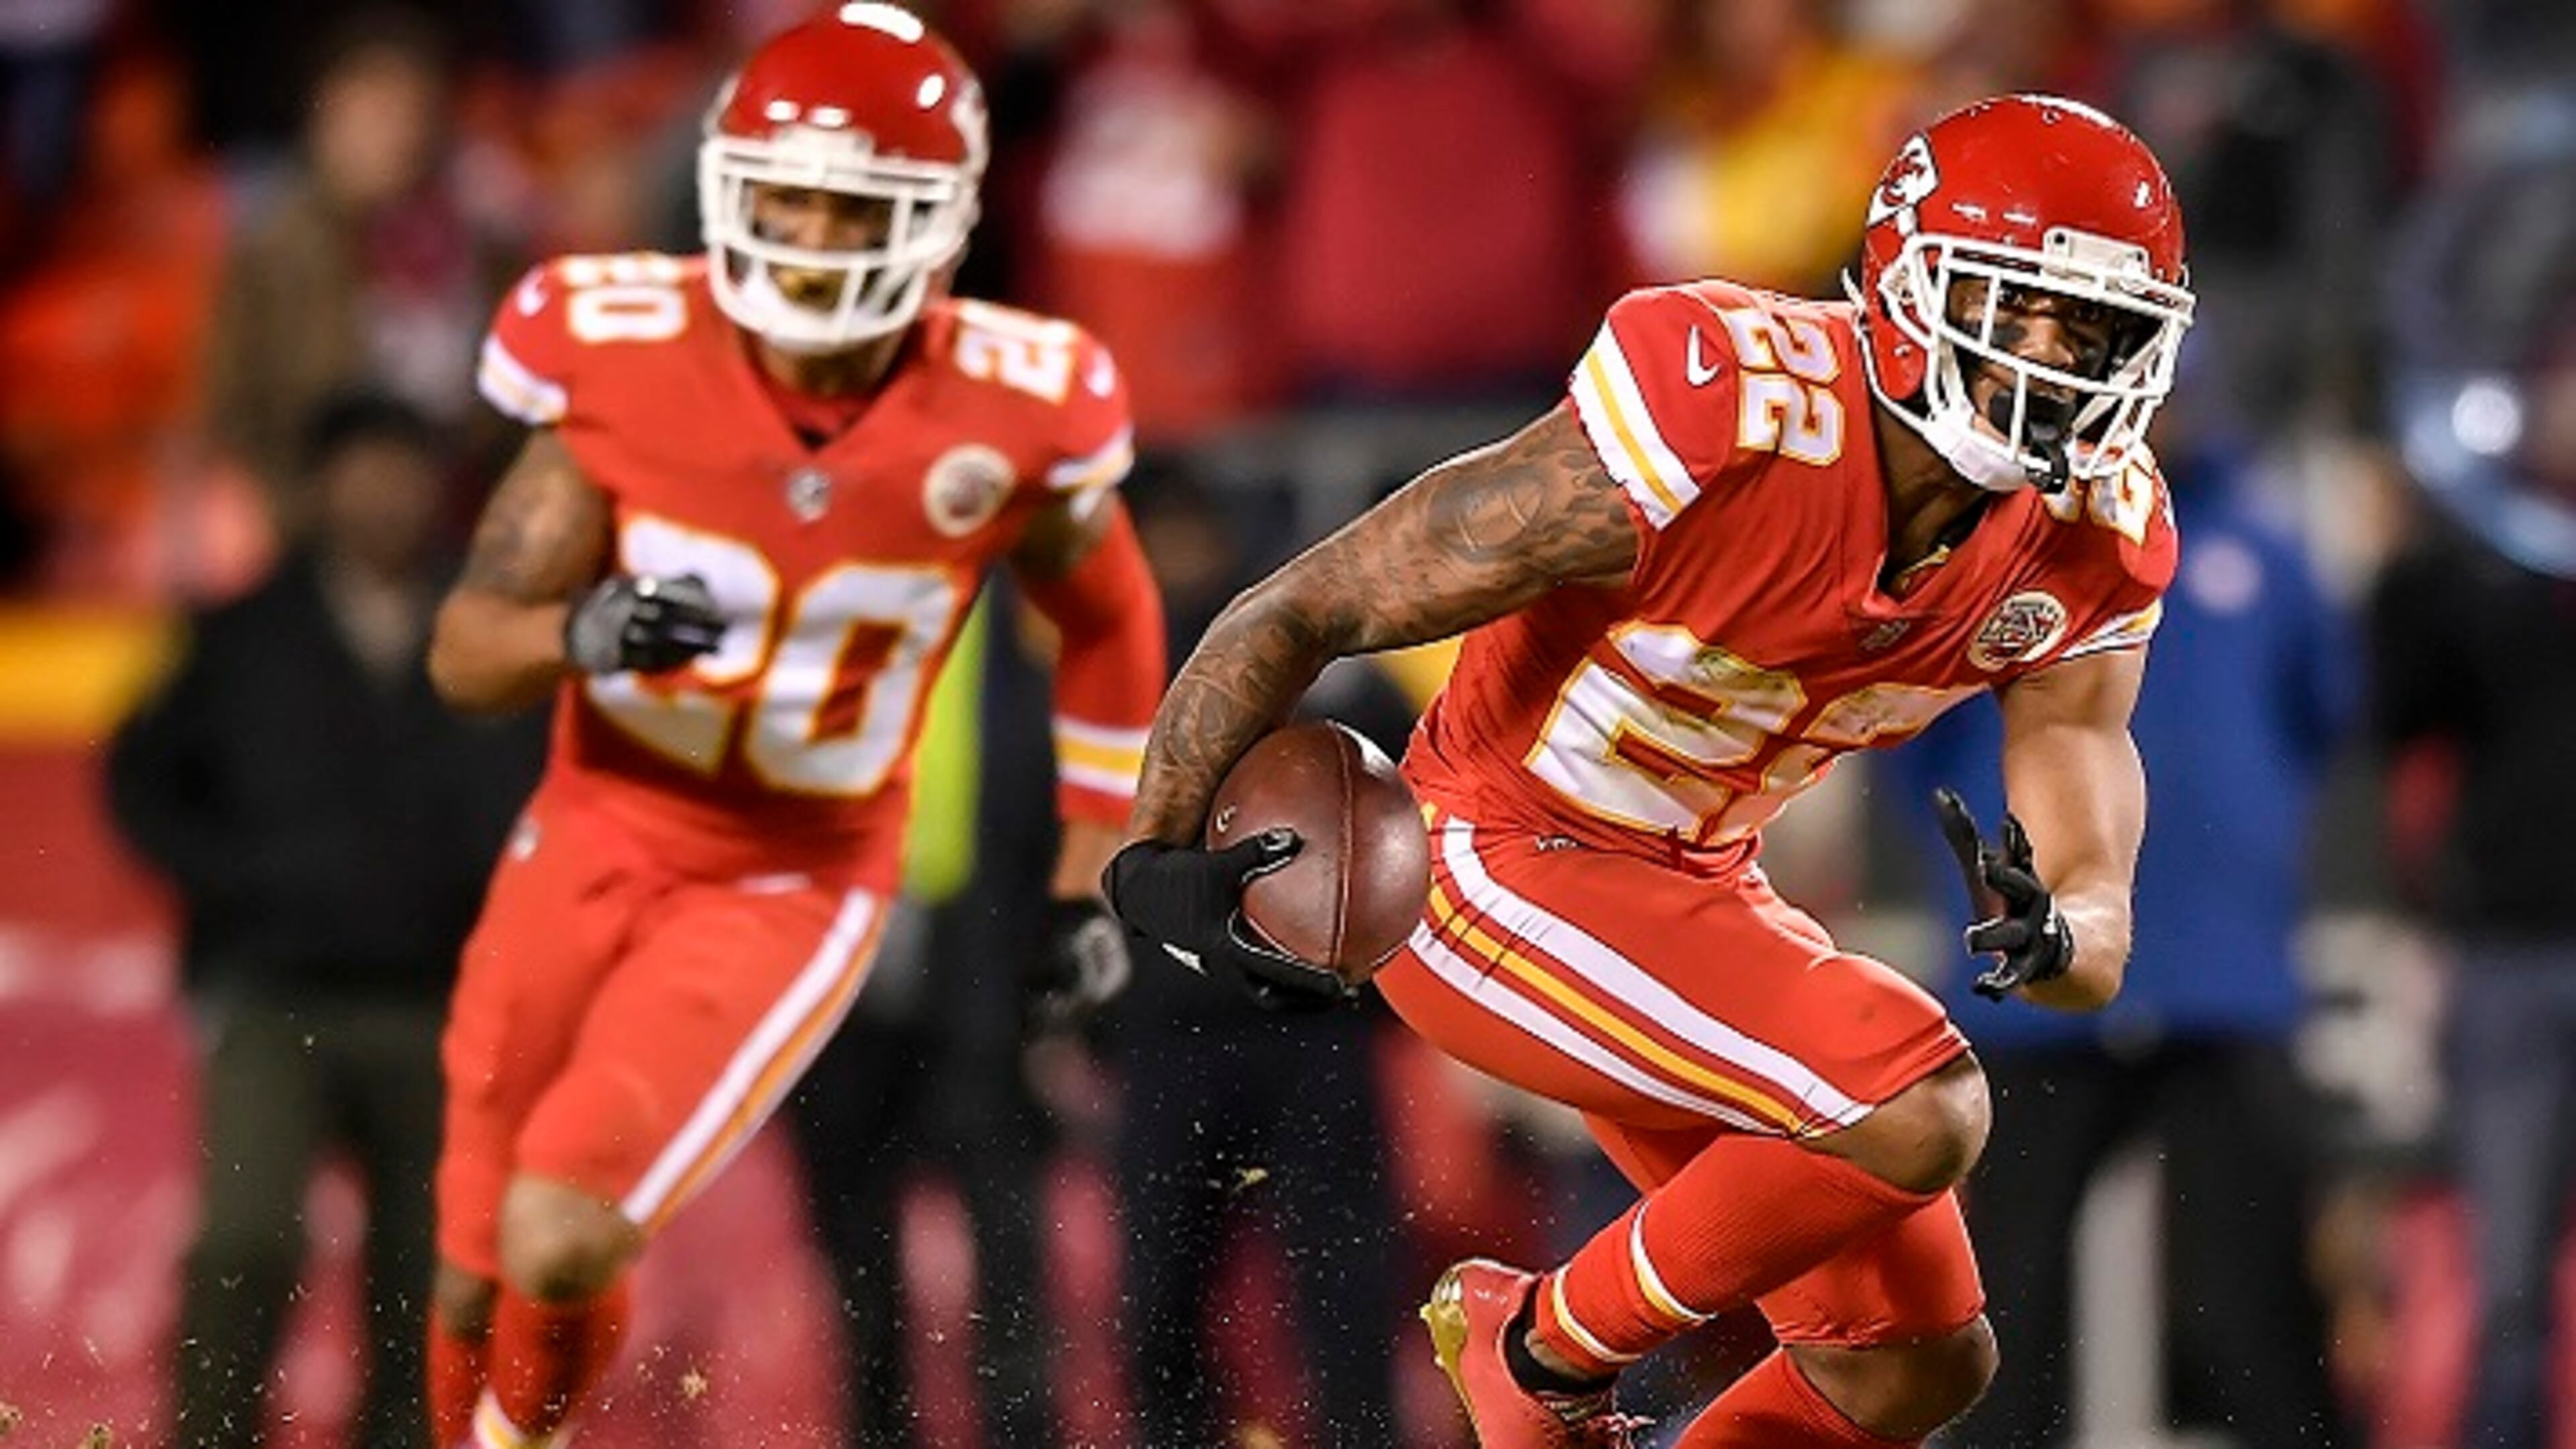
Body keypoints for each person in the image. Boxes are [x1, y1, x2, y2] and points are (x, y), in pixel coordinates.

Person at [1107, 93, 2196, 1448]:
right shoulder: (1728, 407)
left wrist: (2078, 926)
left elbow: (2079, 745)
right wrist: (1152, 849)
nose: (2051, 360)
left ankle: (1557, 1360)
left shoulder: (2094, 530)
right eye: (2017, 309)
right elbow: (1311, 602)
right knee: (1916, 1102)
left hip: (1693, 893)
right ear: (1906, 287)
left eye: (2091, 331)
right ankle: (1537, 1351)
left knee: (1910, 1364)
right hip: (1491, 860)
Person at [420, 9, 1165, 1447]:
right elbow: (465, 650)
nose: (816, 241)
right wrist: (581, 634)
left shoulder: (1018, 403)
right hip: (589, 830)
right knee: (468, 1270)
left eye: (855, 208)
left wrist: (1095, 874)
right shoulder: (617, 354)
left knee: (559, 1233)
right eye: (790, 200)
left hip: (792, 873)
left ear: (938, 221)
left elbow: (1109, 622)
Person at [1890, 427, 2356, 1445]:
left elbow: (2326, 717)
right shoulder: (1983, 547)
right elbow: (1900, 728)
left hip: (2222, 984)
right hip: (2030, 990)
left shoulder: (2266, 549)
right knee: (2005, 1311)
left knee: (2256, 1311)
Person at [105, 391, 547, 1449]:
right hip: (276, 994)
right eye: (362, 470)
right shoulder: (241, 632)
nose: (386, 495)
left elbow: (549, 793)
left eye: (405, 470)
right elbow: (139, 780)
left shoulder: (488, 631)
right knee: (246, 1241)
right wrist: (238, 881)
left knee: (431, 1269)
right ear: (316, 488)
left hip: (442, 998)